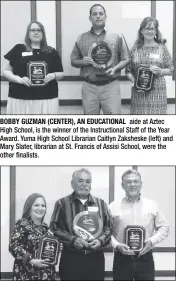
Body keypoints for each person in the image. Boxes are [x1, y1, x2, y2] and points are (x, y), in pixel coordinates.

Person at [50, 168, 112, 280]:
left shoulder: (101, 204)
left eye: (88, 182)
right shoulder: (62, 203)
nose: (84, 184)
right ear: (72, 183)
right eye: (80, 181)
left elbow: (109, 227)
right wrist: (73, 240)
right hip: (70, 259)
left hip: (95, 258)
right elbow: (54, 228)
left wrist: (100, 240)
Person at [109, 169, 169, 280]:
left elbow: (164, 227)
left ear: (141, 184)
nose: (132, 184)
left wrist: (152, 241)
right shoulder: (112, 206)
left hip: (145, 259)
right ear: (122, 185)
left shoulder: (152, 205)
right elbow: (106, 231)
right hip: (121, 259)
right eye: (128, 182)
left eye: (136, 181)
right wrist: (117, 245)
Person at [71, 4, 130, 114]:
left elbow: (126, 59)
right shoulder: (81, 38)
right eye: (95, 14)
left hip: (111, 86)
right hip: (89, 87)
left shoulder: (117, 36)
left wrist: (115, 68)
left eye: (101, 14)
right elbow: (73, 60)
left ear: (105, 17)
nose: (98, 16)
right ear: (90, 18)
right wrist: (83, 62)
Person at [3, 20, 64, 114]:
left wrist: (54, 75)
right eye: (33, 30)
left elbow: (61, 74)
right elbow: (6, 71)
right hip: (20, 97)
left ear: (43, 33)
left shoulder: (52, 52)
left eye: (39, 30)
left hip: (47, 98)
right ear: (28, 33)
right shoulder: (18, 49)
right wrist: (18, 79)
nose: (36, 32)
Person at [126, 17, 174, 114]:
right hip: (139, 93)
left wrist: (161, 71)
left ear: (156, 31)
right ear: (142, 31)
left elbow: (171, 69)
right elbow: (128, 71)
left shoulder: (162, 48)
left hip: (157, 93)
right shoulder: (135, 49)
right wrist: (134, 81)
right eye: (147, 28)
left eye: (152, 29)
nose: (150, 31)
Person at [9, 193, 57, 280]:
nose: (40, 208)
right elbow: (14, 246)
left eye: (43, 205)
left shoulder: (45, 227)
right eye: (36, 205)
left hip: (47, 274)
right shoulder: (22, 224)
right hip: (28, 273)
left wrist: (57, 248)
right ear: (29, 207)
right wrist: (31, 260)